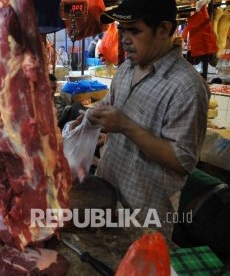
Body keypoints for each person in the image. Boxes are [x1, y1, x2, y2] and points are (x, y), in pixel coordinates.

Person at [71, 0, 209, 239]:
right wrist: (88, 120)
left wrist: (125, 126)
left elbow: (183, 159)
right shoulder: (126, 69)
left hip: (145, 217)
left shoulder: (187, 87)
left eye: (134, 30)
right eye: (122, 30)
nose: (124, 38)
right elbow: (109, 104)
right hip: (106, 199)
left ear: (164, 30)